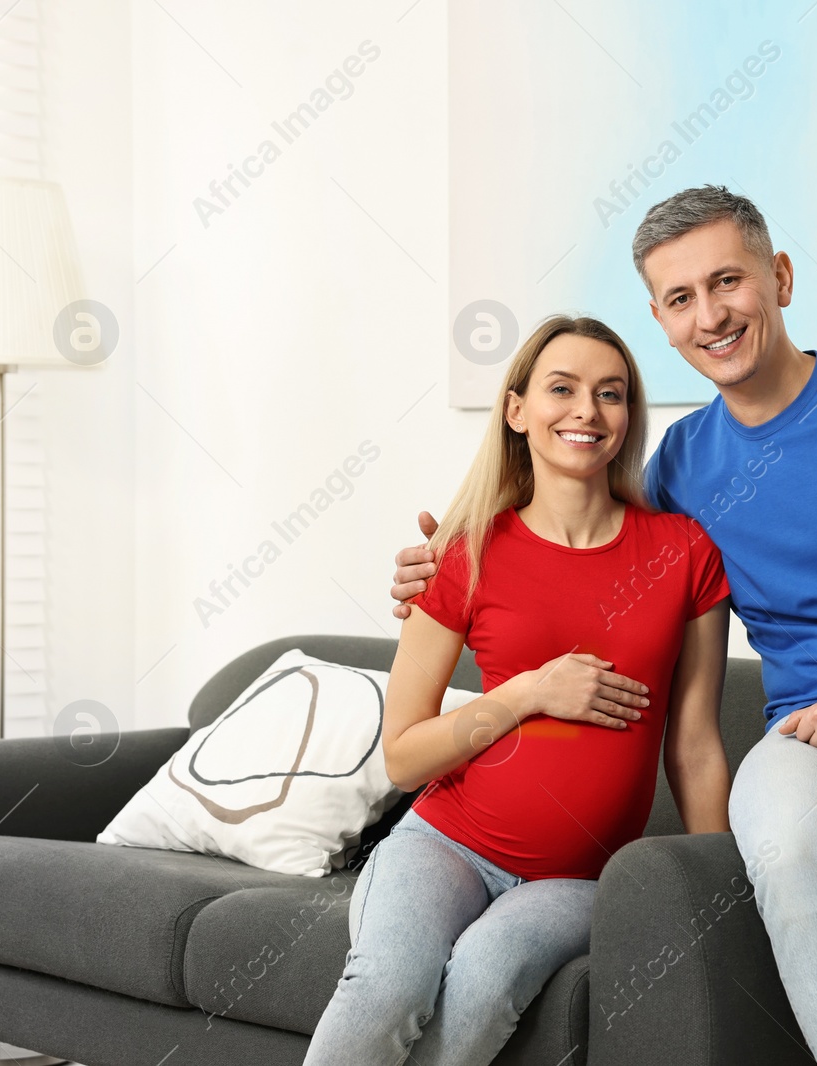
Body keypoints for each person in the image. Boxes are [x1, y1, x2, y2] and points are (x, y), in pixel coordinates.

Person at [391, 187, 817, 1066]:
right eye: (681, 299)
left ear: (781, 278)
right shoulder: (682, 465)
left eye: (729, 281)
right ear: (661, 319)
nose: (711, 314)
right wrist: (445, 563)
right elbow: (582, 545)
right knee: (792, 864)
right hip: (808, 730)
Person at [308, 314, 732, 1066]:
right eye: (561, 389)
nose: (586, 412)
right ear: (516, 410)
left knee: (483, 978)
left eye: (610, 393)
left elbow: (694, 744)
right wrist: (529, 692)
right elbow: (404, 758)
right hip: (445, 844)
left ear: (628, 416)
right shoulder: (464, 552)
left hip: (575, 878)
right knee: (388, 988)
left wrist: (716, 885)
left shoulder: (683, 552)